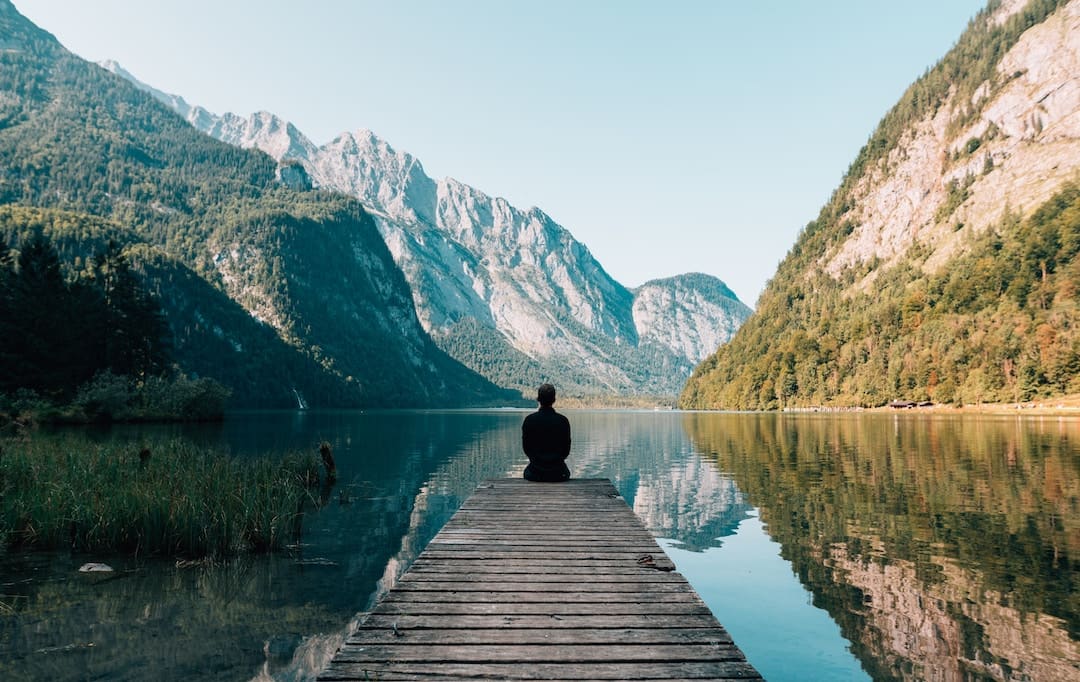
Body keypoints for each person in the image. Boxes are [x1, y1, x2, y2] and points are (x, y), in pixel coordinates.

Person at [521, 383, 571, 482]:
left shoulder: (529, 420)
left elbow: (526, 448)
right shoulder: (563, 421)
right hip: (559, 473)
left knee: (527, 472)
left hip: (534, 473)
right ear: (554, 400)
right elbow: (566, 450)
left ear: (538, 399)